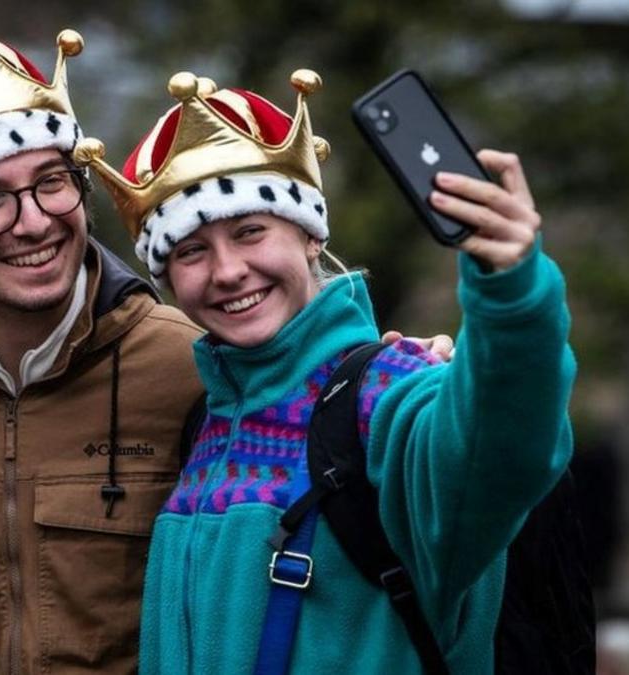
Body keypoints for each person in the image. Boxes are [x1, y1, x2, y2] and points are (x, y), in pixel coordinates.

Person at [0, 12, 452, 674]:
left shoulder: (195, 364)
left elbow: (322, 395)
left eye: (51, 183)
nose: (32, 221)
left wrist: (415, 378)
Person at [73, 71, 575, 673]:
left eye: (250, 231)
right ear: (169, 280)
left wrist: (512, 294)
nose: (228, 270)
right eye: (191, 251)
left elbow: (501, 454)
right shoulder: (204, 423)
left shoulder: (390, 393)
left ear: (311, 237)